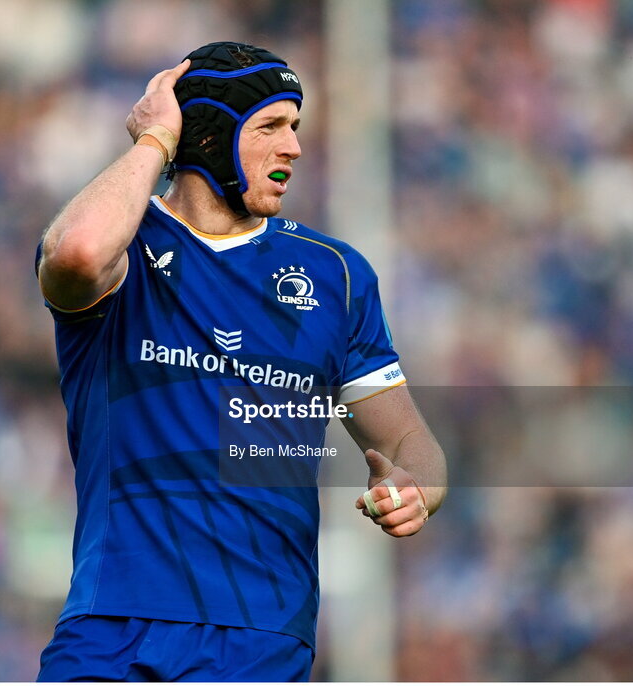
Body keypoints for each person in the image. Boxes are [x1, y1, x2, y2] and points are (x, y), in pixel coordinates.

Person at [34, 41, 446, 682]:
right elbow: (77, 254)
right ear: (209, 137)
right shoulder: (125, 250)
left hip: (263, 638)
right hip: (115, 626)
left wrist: (417, 488)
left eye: (296, 128)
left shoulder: (333, 275)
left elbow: (411, 440)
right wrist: (153, 142)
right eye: (271, 127)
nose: (294, 149)